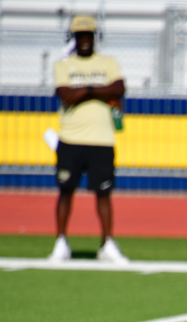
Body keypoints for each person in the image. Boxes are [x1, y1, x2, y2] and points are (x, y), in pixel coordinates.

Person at [49, 14, 128, 264]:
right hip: (70, 138)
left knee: (104, 193)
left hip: (102, 139)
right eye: (80, 35)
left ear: (95, 37)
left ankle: (107, 243)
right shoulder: (63, 64)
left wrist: (85, 90)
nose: (84, 39)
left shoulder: (108, 62)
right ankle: (61, 242)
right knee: (66, 190)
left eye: (88, 35)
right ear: (73, 37)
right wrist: (99, 91)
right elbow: (65, 94)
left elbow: (119, 88)